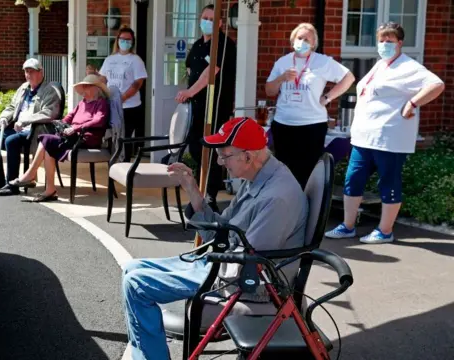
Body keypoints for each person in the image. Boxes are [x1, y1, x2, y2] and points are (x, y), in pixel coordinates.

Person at [121, 117, 308, 360]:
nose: (220, 161)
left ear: (248, 156)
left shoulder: (276, 198)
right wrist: (191, 188)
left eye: (224, 155)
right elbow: (222, 230)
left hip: (248, 285)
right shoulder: (259, 178)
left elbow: (249, 264)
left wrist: (204, 260)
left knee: (136, 284)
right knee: (131, 268)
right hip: (226, 263)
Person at [325, 22, 445, 244]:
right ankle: (348, 226)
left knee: (388, 182)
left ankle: (385, 230)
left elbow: (436, 84)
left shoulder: (409, 67)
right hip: (363, 137)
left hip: (389, 138)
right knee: (353, 179)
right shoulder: (380, 65)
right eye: (381, 40)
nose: (384, 45)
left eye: (389, 41)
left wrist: (413, 103)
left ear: (400, 43)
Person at [265, 23, 355, 189]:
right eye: (299, 38)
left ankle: (306, 210)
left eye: (307, 39)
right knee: (284, 171)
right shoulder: (283, 62)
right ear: (293, 41)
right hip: (284, 124)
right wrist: (281, 78)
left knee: (307, 172)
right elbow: (269, 90)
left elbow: (348, 78)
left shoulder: (322, 62)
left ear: (313, 43)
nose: (302, 41)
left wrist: (327, 97)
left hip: (312, 125)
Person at [175, 4, 237, 213]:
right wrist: (188, 93)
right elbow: (191, 70)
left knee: (210, 150)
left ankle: (209, 197)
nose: (207, 22)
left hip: (215, 107)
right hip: (196, 106)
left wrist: (191, 91)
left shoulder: (223, 45)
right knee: (195, 147)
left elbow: (210, 72)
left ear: (219, 23)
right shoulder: (198, 45)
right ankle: (200, 192)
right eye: (204, 18)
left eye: (212, 19)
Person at [10, 75, 110, 202]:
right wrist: (59, 123)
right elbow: (69, 117)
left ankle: (31, 175)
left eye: (87, 86)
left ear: (96, 89)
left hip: (87, 138)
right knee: (47, 145)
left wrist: (76, 128)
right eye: (83, 86)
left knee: (46, 141)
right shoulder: (82, 103)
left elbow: (99, 120)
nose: (84, 89)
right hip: (74, 137)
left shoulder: (101, 103)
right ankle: (49, 189)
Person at [0, 58, 64, 196]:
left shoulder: (50, 90)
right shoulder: (23, 88)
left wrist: (26, 121)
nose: (28, 74)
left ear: (41, 72)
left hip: (34, 131)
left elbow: (49, 113)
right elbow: (12, 107)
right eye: (26, 71)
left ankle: (12, 184)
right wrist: (4, 117)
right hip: (17, 128)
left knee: (11, 141)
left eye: (32, 71)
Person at [99, 25, 147, 161]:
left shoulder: (136, 60)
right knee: (112, 137)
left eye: (129, 40)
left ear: (132, 42)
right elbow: (103, 78)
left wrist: (123, 97)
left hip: (130, 108)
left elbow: (138, 82)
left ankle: (124, 168)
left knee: (124, 140)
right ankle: (112, 166)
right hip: (112, 106)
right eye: (123, 39)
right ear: (117, 40)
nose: (125, 42)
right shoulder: (110, 59)